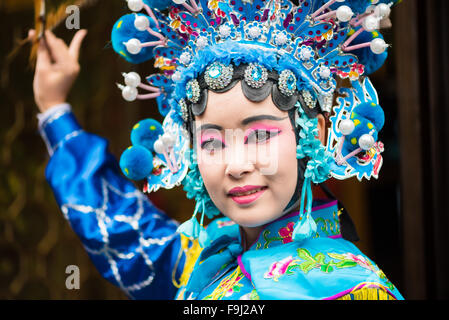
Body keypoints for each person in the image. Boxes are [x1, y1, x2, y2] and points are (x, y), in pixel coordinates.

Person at [31, 0, 404, 300]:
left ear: (315, 132)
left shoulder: (353, 290)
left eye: (259, 135)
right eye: (211, 142)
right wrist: (54, 110)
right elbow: (121, 231)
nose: (236, 164)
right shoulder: (207, 258)